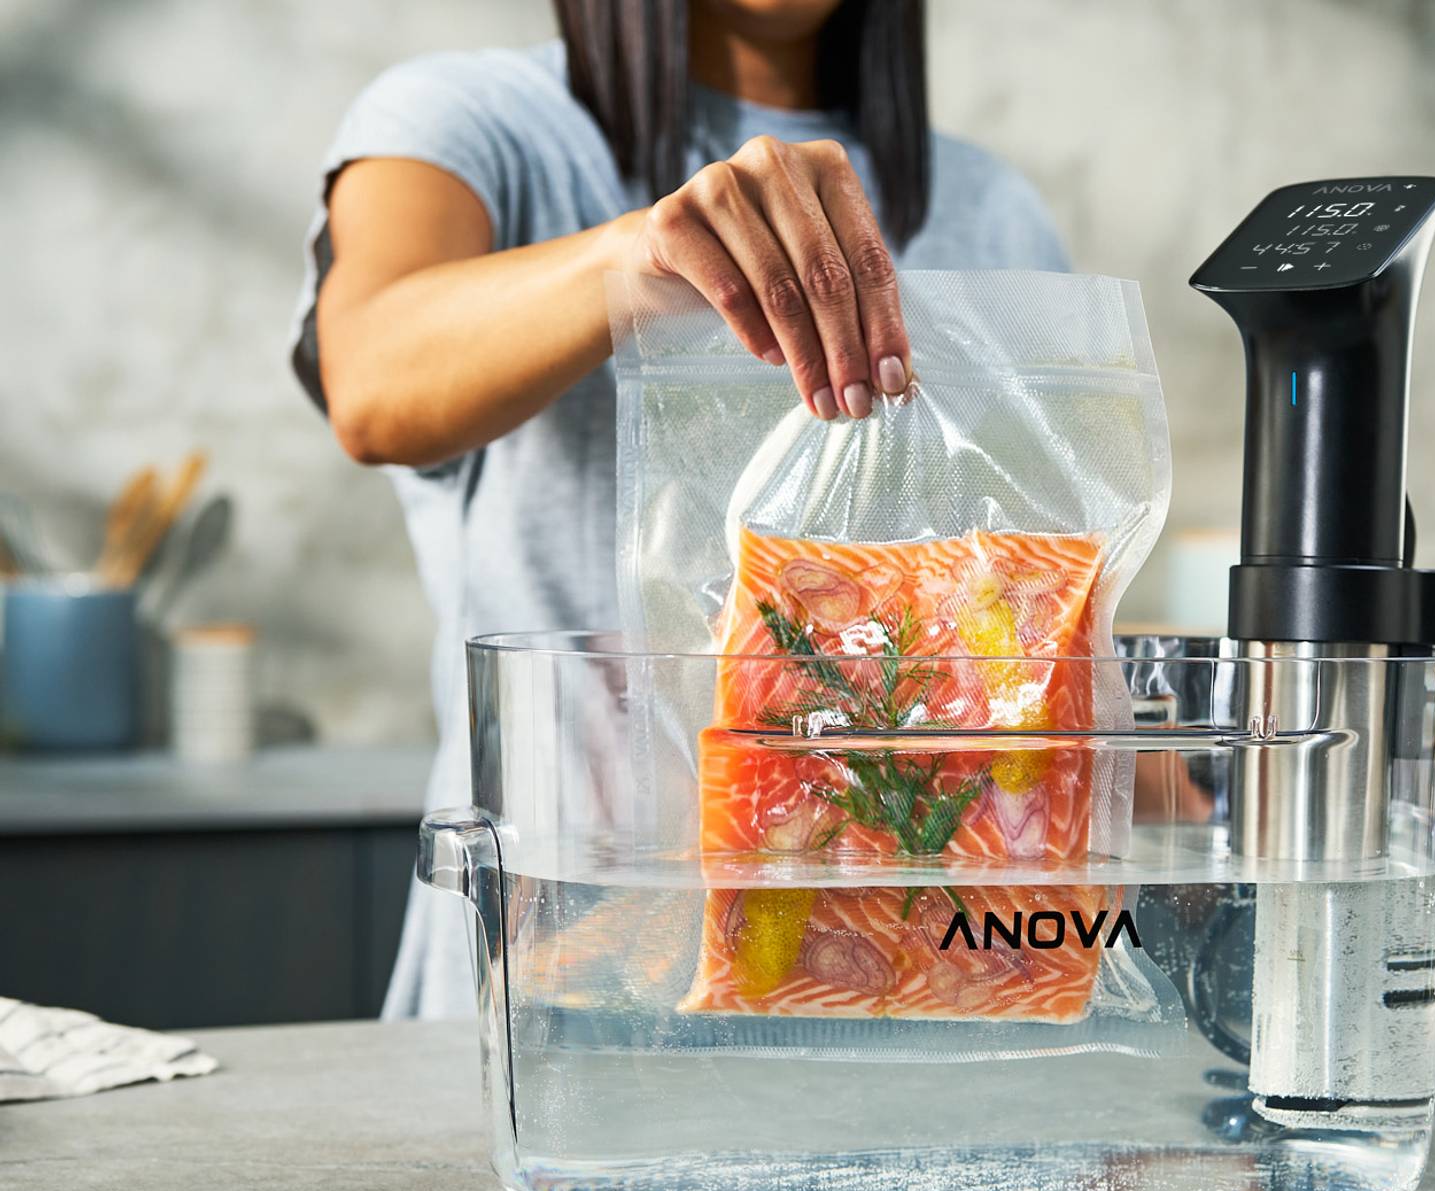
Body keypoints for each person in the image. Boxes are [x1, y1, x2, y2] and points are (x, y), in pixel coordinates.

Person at [290, 0, 1068, 1018]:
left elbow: (1038, 643)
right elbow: (374, 382)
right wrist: (633, 259)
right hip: (555, 980)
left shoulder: (989, 209)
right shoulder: (472, 120)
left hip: (919, 983)